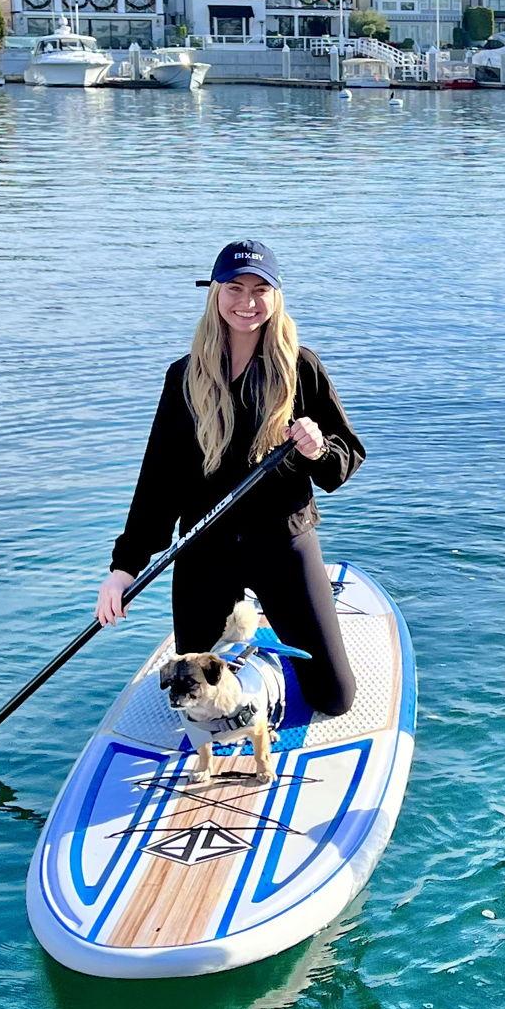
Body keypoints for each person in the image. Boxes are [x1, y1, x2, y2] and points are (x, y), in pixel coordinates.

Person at [96, 239, 365, 716]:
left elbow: (345, 461)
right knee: (194, 700)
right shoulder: (183, 376)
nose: (247, 302)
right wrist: (124, 567)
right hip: (204, 550)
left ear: (276, 296)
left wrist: (315, 447)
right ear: (214, 293)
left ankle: (264, 658)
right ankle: (242, 621)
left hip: (283, 543)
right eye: (234, 288)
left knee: (334, 699)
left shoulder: (302, 368)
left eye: (260, 289)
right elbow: (158, 480)